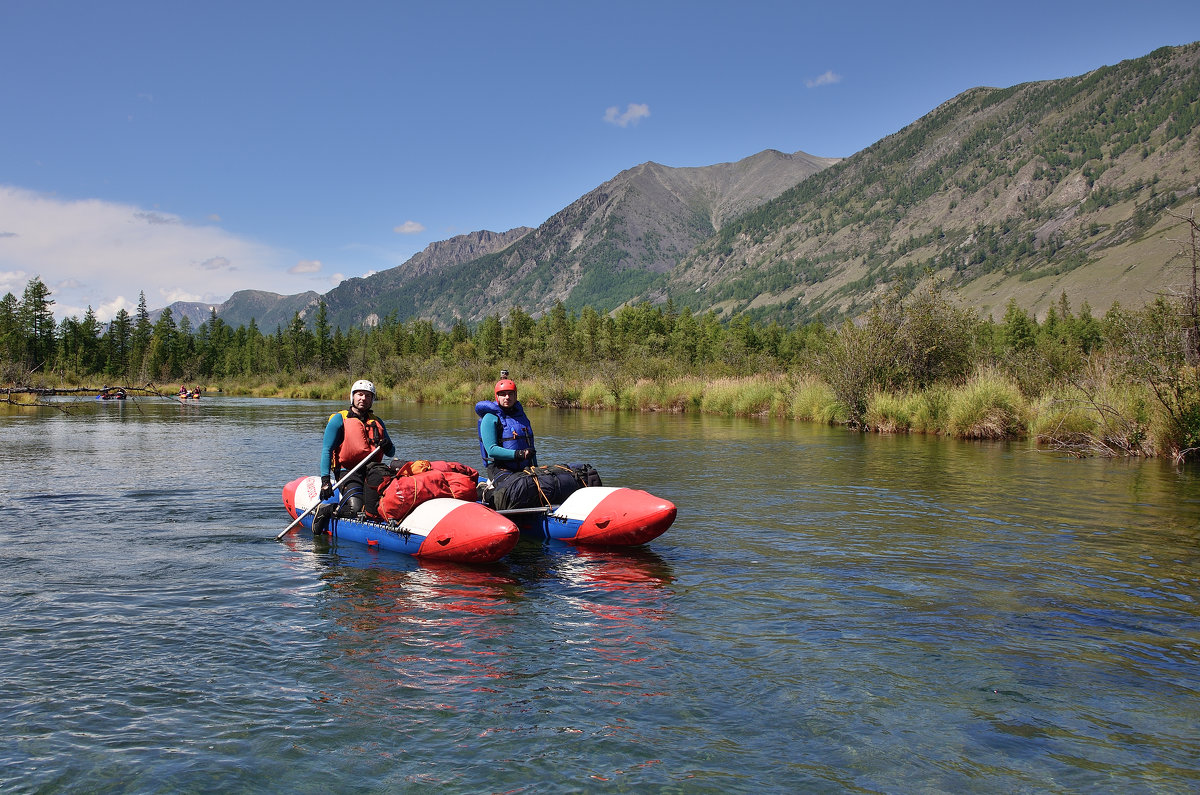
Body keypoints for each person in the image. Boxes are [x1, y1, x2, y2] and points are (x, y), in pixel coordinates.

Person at [312, 379, 396, 534]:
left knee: (385, 504)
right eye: (360, 394)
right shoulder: (339, 419)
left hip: (372, 472)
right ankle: (326, 509)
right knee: (355, 508)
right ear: (353, 397)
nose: (363, 398)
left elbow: (391, 453)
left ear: (372, 400)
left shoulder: (377, 422)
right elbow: (327, 450)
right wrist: (325, 481)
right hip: (347, 471)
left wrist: (387, 445)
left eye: (368, 396)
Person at [475, 373, 537, 479]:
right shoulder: (490, 418)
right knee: (518, 489)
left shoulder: (521, 417)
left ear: (515, 396)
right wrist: (519, 454)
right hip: (500, 468)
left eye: (510, 394)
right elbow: (491, 450)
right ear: (497, 396)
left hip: (523, 468)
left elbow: (531, 448)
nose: (507, 397)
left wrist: (535, 467)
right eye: (503, 394)